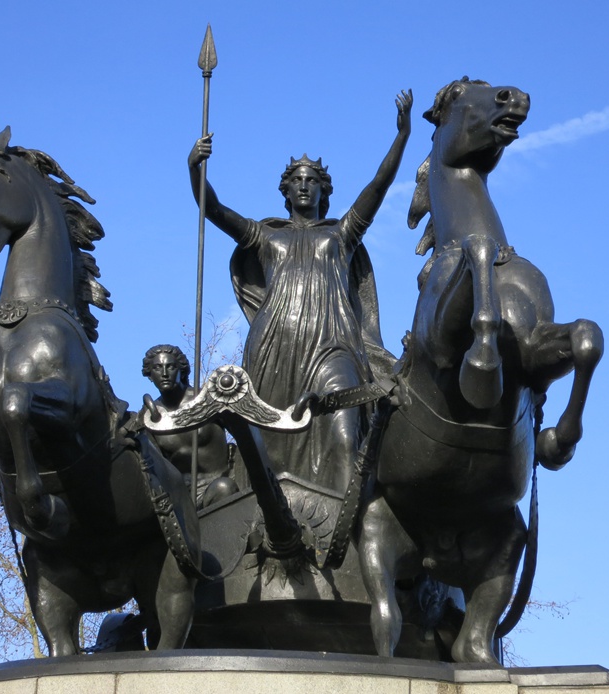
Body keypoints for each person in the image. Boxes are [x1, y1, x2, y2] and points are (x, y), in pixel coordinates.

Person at [188, 91, 412, 493]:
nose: (304, 187)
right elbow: (214, 210)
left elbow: (378, 186)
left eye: (312, 181)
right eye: (297, 181)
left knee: (345, 436)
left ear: (324, 191)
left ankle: (347, 539)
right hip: (275, 347)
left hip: (333, 344)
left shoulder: (342, 235)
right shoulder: (265, 235)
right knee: (268, 450)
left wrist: (402, 135)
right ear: (285, 191)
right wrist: (195, 170)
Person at [142, 344, 237, 507]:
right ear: (150, 375)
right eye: (157, 368)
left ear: (182, 371)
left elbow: (244, 434)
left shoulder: (208, 399)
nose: (164, 374)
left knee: (223, 488)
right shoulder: (150, 418)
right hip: (183, 502)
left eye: (170, 367)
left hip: (222, 486)